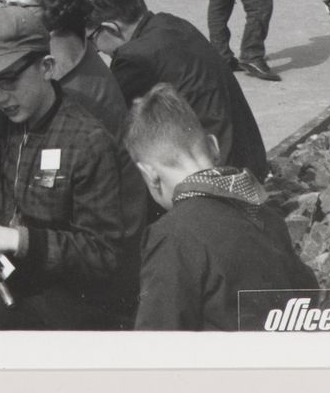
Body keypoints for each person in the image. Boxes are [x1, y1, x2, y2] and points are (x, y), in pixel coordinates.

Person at [0, 5, 145, 330]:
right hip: (12, 279)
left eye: (9, 80)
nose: (0, 97)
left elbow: (105, 254)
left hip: (76, 298)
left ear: (47, 67)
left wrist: (19, 240)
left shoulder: (87, 141)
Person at [126, 85, 316, 331]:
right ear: (214, 146)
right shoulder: (259, 207)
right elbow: (307, 290)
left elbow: (158, 334)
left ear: (149, 173)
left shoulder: (172, 236)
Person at [80, 0, 268, 178]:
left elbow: (109, 122)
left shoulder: (133, 58)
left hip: (219, 177)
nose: (95, 49)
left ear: (111, 27)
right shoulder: (171, 23)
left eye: (91, 39)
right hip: (248, 161)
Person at [0, 0, 128, 138]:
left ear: (53, 9)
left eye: (16, 6)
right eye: (1, 2)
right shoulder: (61, 40)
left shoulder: (58, 70)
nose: (1, 14)